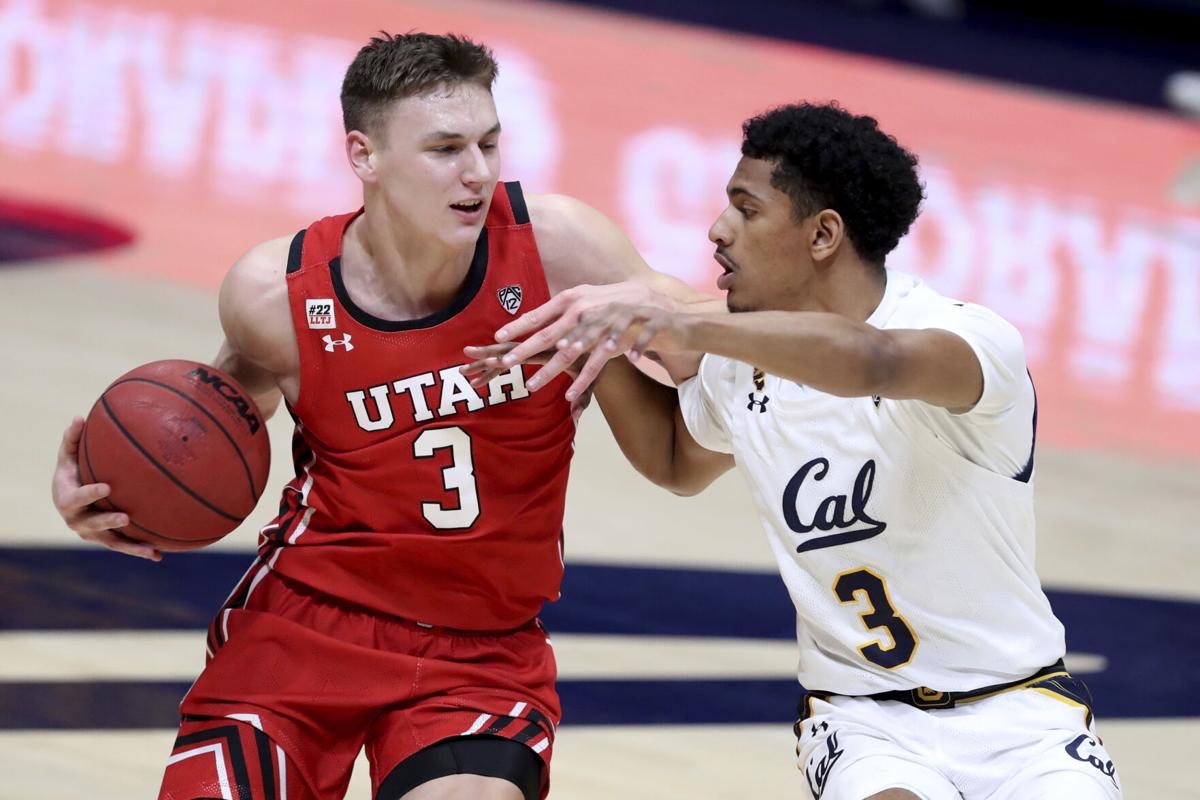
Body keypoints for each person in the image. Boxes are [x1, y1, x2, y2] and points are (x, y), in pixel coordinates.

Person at [49, 32, 705, 800]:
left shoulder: (561, 252)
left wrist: (711, 345)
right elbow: (209, 428)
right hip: (304, 626)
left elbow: (707, 381)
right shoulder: (276, 293)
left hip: (480, 652)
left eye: (491, 143)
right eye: (445, 148)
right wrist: (110, 492)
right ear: (364, 155)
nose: (478, 173)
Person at [477, 102, 1123, 800]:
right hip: (863, 723)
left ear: (822, 235)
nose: (717, 231)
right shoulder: (739, 364)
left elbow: (871, 360)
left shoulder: (966, 340)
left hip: (1021, 711)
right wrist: (591, 335)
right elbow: (672, 457)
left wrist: (686, 323)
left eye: (746, 210)